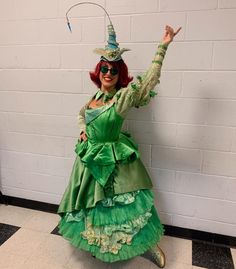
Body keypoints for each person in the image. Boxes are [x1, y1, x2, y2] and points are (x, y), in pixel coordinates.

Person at [58, 20, 181, 268]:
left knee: (130, 210)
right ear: (98, 69)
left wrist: (163, 47)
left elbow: (147, 80)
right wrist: (83, 131)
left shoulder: (121, 99)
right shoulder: (95, 96)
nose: (108, 74)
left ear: (119, 74)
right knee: (95, 207)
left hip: (115, 160)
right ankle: (103, 244)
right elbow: (82, 115)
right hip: (90, 160)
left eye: (114, 70)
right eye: (105, 68)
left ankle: (148, 245)